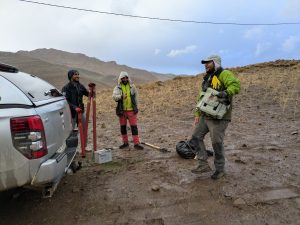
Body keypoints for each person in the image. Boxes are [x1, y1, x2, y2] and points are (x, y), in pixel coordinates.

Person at [190, 55, 240, 180]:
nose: (205, 65)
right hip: (205, 115)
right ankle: (203, 164)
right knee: (195, 138)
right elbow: (201, 96)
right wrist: (197, 113)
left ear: (215, 63)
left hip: (220, 117)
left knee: (216, 143)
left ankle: (220, 169)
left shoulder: (224, 73)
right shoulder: (207, 78)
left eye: (208, 63)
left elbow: (235, 86)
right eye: (204, 63)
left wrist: (225, 93)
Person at [112, 71, 144, 150]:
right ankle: (125, 143)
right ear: (121, 78)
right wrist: (121, 96)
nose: (125, 79)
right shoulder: (117, 87)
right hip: (122, 111)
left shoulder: (132, 86)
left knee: (134, 127)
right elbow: (114, 97)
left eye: (126, 77)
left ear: (128, 78)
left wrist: (136, 107)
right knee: (123, 127)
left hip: (131, 110)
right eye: (123, 78)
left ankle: (136, 143)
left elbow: (136, 97)